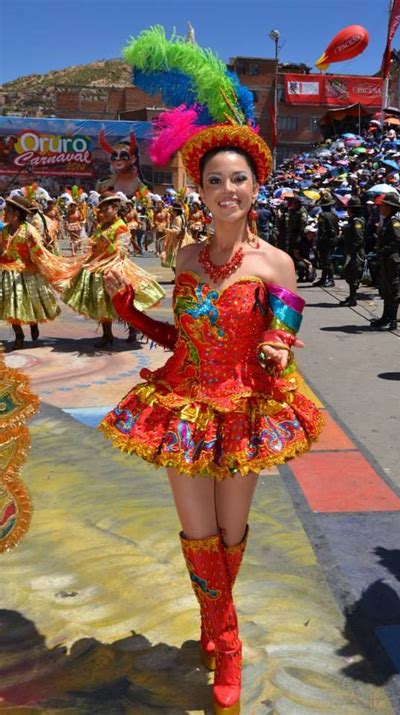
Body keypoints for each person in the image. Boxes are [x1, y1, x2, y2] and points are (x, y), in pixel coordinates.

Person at [98, 24, 323, 715]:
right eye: (217, 179)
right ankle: (225, 640)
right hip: (185, 405)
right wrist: (131, 315)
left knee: (230, 533)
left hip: (245, 406)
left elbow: (286, 327)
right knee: (196, 533)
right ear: (200, 187)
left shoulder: (276, 264)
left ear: (257, 184)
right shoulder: (188, 260)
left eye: (240, 178)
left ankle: (215, 619)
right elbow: (180, 338)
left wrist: (278, 349)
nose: (229, 189)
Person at [61, 192, 165, 348]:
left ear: (115, 208)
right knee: (102, 301)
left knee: (125, 301)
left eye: (105, 209)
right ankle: (107, 334)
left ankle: (133, 328)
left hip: (116, 267)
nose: (101, 213)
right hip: (99, 267)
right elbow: (94, 245)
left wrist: (107, 244)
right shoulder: (102, 226)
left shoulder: (121, 226)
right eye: (100, 210)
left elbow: (121, 249)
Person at [0, 195, 62, 349]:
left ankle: (33, 323)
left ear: (17, 214)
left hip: (26, 273)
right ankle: (19, 335)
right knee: (11, 304)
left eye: (7, 211)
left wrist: (46, 267)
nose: (4, 214)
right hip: (7, 272)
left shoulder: (29, 231)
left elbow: (38, 253)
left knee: (29, 302)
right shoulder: (6, 230)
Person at [371, 193, 400, 331]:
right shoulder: (387, 220)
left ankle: (392, 320)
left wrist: (383, 249)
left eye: (383, 205)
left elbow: (398, 241)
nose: (380, 208)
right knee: (386, 289)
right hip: (385, 259)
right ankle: (385, 316)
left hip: (392, 259)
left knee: (393, 290)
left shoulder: (394, 221)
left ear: (389, 207)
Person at [339, 197, 365, 306]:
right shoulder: (351, 220)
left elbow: (359, 238)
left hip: (355, 253)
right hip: (349, 251)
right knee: (349, 274)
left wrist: (354, 250)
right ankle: (350, 296)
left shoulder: (357, 221)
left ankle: (353, 298)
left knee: (354, 275)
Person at [313, 193, 339, 287]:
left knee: (326, 260)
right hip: (333, 239)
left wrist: (318, 241)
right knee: (326, 260)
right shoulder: (334, 215)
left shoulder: (322, 215)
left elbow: (322, 230)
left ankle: (331, 280)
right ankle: (324, 278)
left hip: (325, 240)